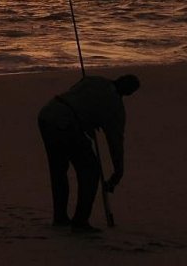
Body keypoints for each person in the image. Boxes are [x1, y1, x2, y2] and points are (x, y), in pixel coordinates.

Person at [37, 73, 140, 233]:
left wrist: (86, 121)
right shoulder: (115, 108)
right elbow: (115, 143)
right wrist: (118, 172)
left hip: (48, 114)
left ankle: (60, 217)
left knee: (59, 170)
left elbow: (78, 95)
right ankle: (80, 221)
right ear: (129, 93)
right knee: (90, 172)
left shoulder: (94, 80)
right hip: (66, 122)